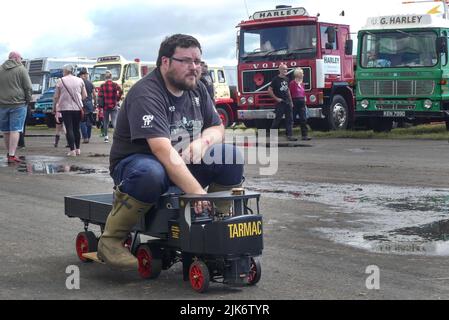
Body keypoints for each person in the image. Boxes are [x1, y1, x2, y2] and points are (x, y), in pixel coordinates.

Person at [97, 34, 243, 269]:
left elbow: (217, 127)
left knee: (231, 156)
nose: (194, 67)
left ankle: (214, 225)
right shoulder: (147, 93)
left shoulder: (198, 90)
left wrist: (203, 142)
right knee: (152, 172)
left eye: (197, 61)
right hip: (137, 164)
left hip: (181, 161)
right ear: (165, 62)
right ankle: (111, 239)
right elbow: (162, 150)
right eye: (186, 61)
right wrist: (197, 192)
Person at [0, 51, 32, 163]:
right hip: (18, 104)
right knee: (16, 129)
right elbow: (28, 87)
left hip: (2, 104)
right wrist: (28, 100)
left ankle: (9, 152)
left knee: (5, 130)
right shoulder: (21, 69)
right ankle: (12, 155)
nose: (21, 60)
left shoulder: (0, 69)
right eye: (21, 58)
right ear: (16, 58)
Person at [53, 64, 87, 156]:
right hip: (78, 108)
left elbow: (56, 96)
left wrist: (55, 107)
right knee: (76, 128)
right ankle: (78, 149)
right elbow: (85, 96)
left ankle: (72, 150)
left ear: (65, 71)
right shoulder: (80, 80)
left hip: (65, 108)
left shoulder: (61, 81)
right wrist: (78, 99)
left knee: (69, 128)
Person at [268, 64, 297, 141]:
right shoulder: (275, 79)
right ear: (280, 70)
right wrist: (276, 98)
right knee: (278, 119)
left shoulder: (287, 79)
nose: (285, 71)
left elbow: (288, 91)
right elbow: (269, 90)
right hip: (280, 103)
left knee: (290, 119)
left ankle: (289, 135)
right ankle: (272, 136)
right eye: (284, 69)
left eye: (286, 69)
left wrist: (291, 102)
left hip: (287, 102)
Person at [97, 70, 122, 143]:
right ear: (111, 77)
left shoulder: (102, 85)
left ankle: (106, 137)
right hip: (114, 105)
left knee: (106, 122)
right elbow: (121, 91)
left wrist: (100, 105)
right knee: (114, 121)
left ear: (105, 77)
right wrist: (117, 98)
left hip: (105, 106)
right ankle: (118, 137)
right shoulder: (115, 84)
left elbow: (100, 96)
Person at [289, 68, 311, 141]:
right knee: (292, 119)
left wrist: (304, 99)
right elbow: (290, 93)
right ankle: (290, 135)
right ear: (298, 74)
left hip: (302, 101)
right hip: (295, 101)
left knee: (303, 119)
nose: (303, 74)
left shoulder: (302, 83)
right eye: (302, 73)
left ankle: (304, 135)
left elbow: (303, 92)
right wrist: (291, 102)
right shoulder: (292, 83)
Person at [78, 68, 96, 143]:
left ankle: (85, 137)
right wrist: (95, 103)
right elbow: (94, 94)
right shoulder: (90, 83)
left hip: (82, 103)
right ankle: (88, 136)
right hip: (89, 104)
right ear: (85, 75)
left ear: (81, 75)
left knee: (82, 121)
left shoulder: (79, 83)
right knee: (89, 121)